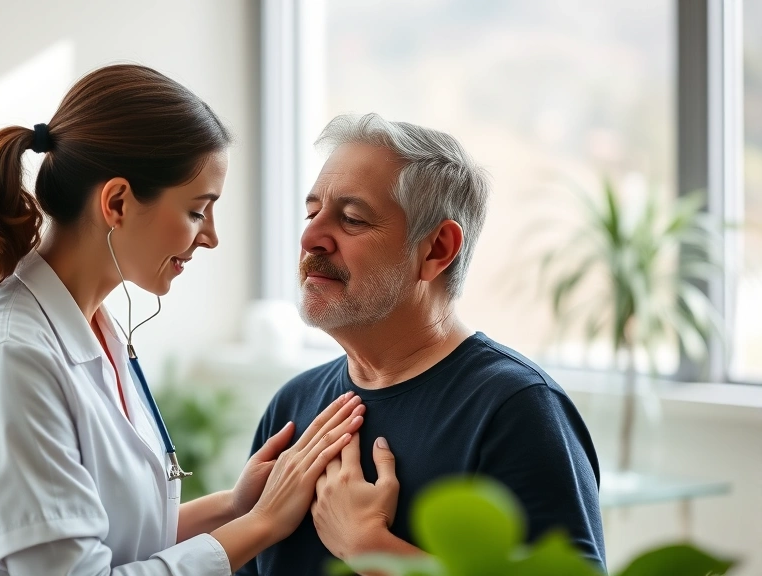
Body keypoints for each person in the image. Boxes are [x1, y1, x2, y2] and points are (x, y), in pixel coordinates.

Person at [0, 64, 367, 576]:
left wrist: (235, 504)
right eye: (198, 211)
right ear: (116, 203)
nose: (210, 236)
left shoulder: (92, 327)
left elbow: (112, 535)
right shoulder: (10, 359)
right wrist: (263, 524)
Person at [237, 114, 606, 575]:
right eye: (312, 213)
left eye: (352, 219)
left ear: (436, 250)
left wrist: (371, 549)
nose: (310, 237)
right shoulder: (293, 405)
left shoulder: (517, 410)